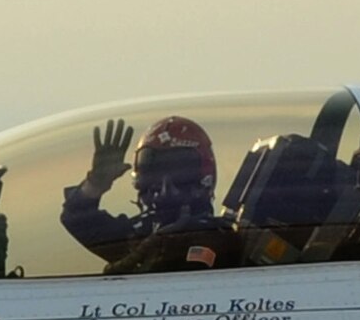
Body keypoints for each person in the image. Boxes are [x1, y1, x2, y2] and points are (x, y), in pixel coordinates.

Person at [61, 116, 236, 273]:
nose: (164, 183)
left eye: (178, 167)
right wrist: (96, 182)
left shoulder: (219, 237)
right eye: (155, 168)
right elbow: (76, 219)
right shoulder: (139, 232)